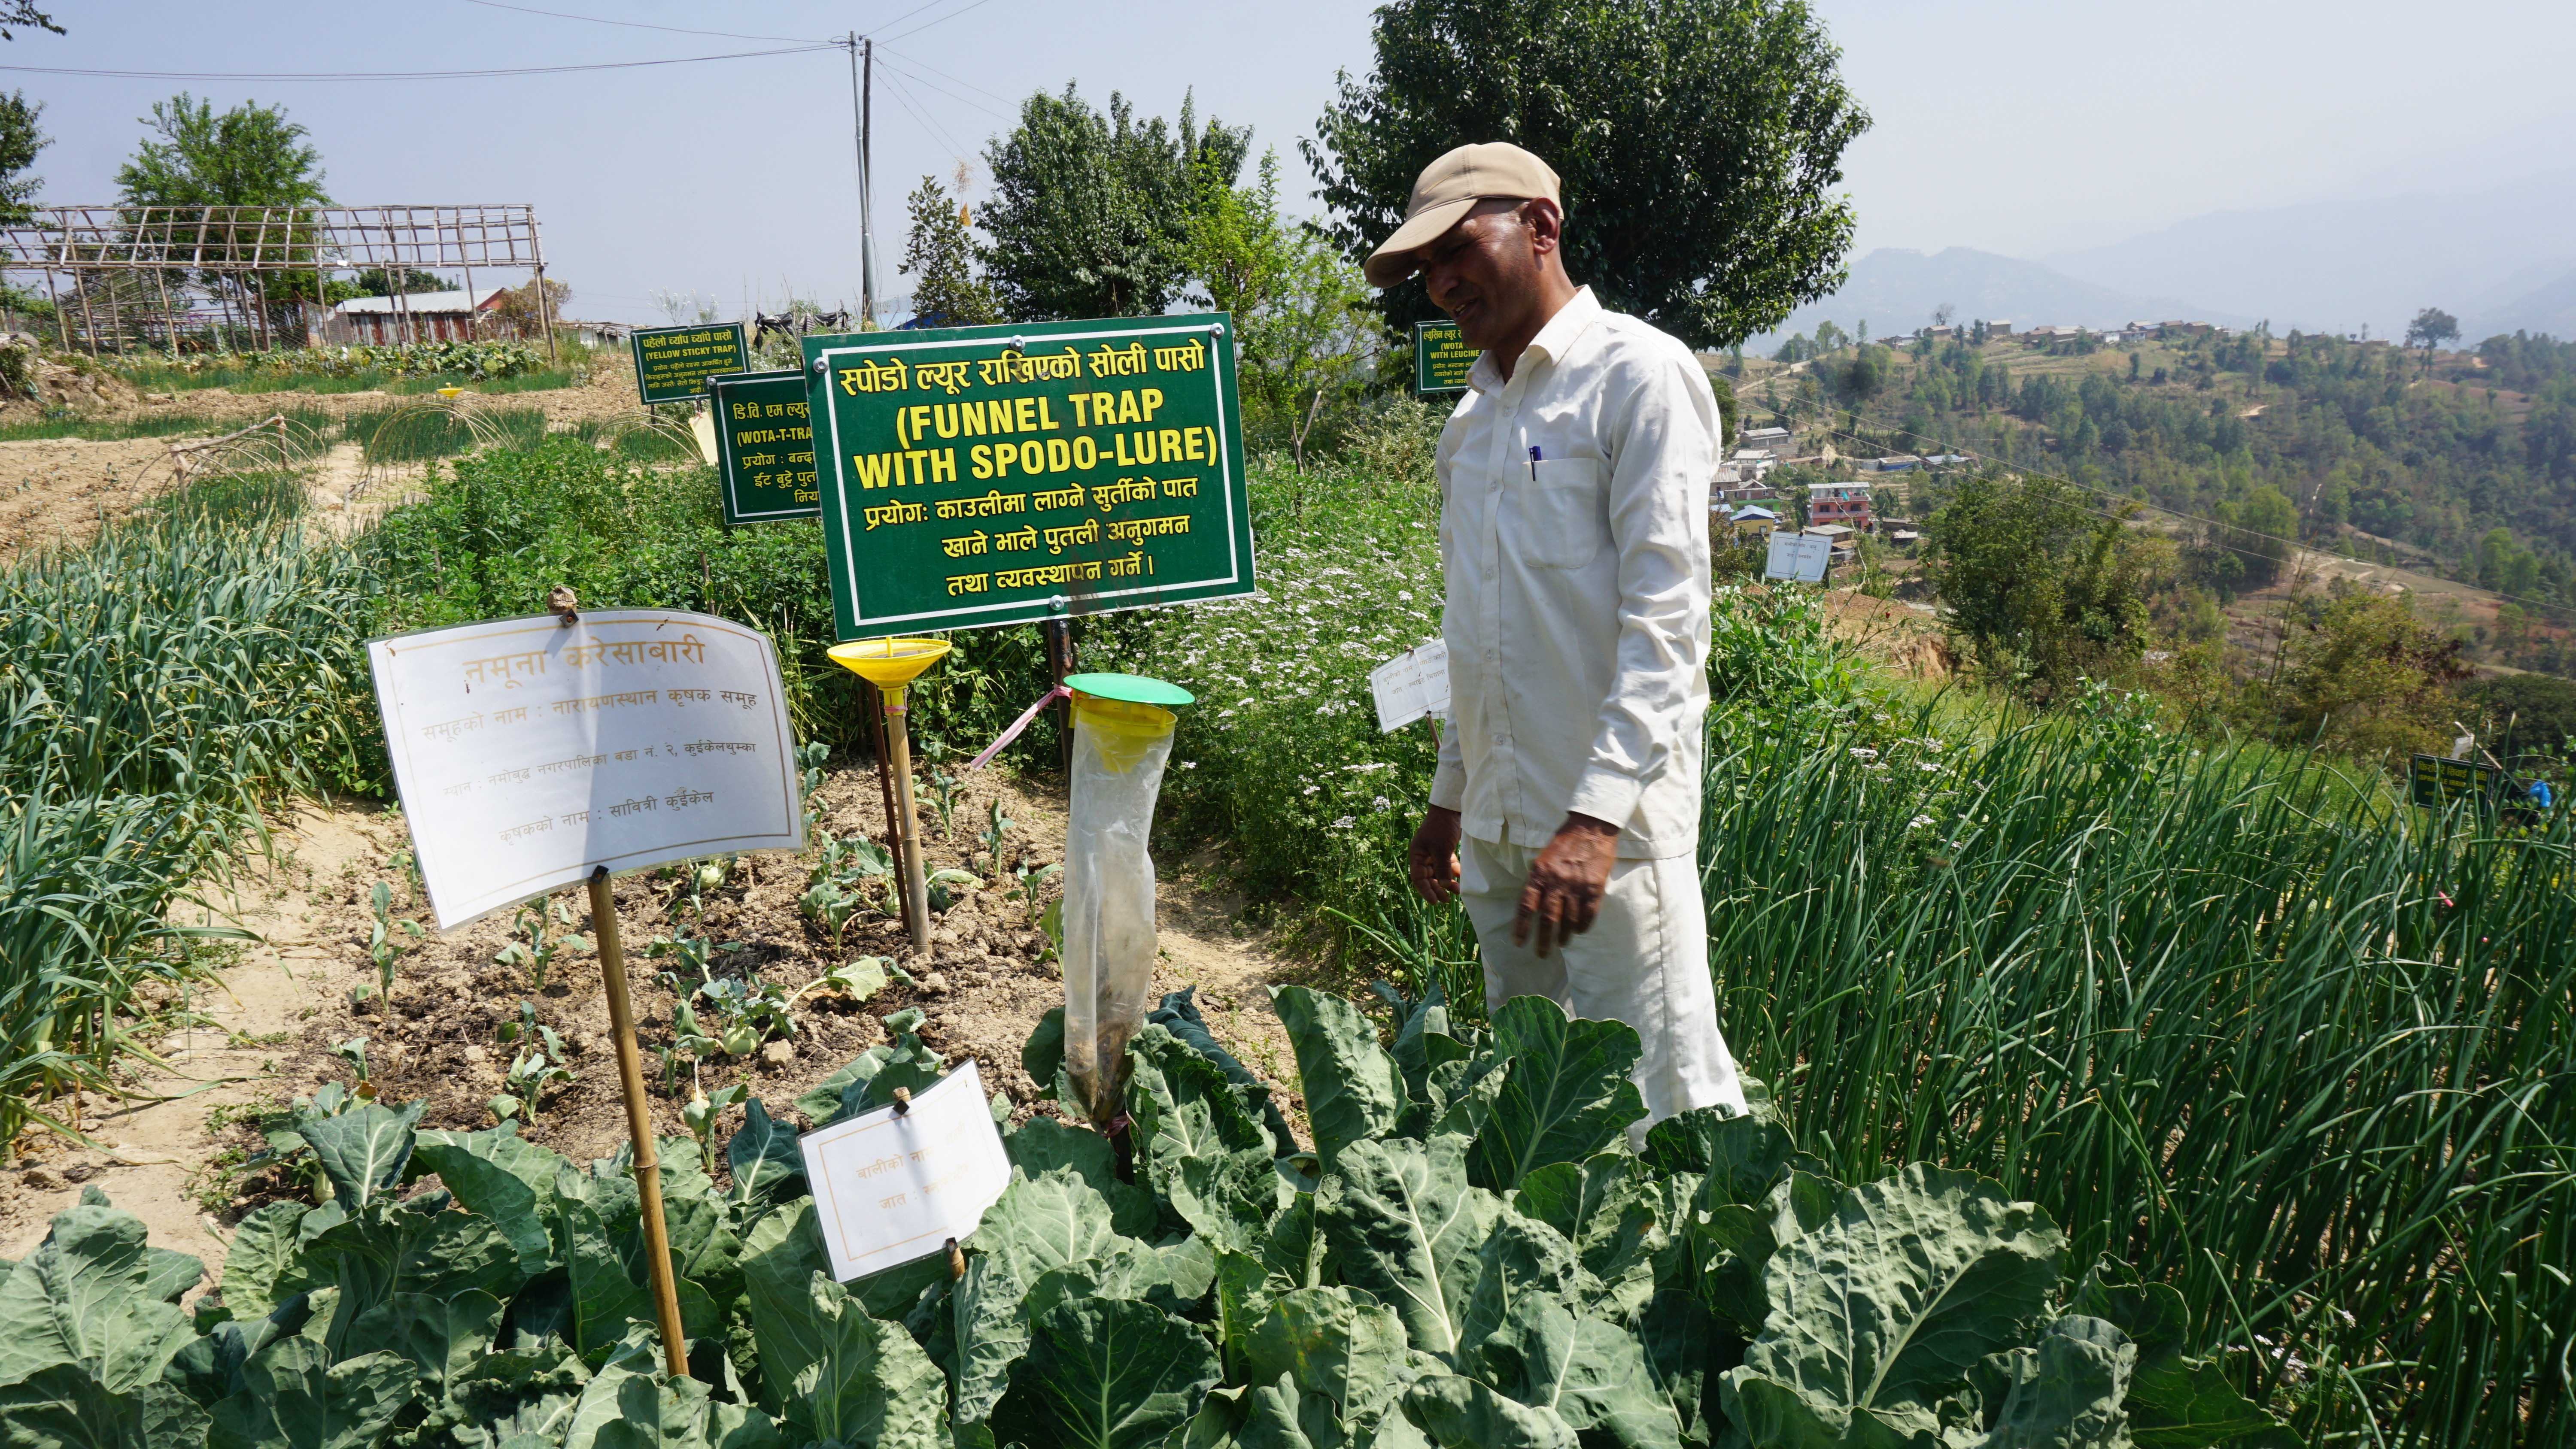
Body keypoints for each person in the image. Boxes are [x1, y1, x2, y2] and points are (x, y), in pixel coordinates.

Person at [1370, 142, 1750, 1126]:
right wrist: (1451, 798)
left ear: (1541, 227)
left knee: (1669, 1102)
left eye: (1459, 248)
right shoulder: (1474, 419)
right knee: (1542, 1103)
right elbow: (1477, 633)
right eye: (1425, 271)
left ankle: (1717, 1273)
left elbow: (1667, 625)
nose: (1443, 283)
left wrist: (1593, 819)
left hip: (1608, 845)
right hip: (1502, 838)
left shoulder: (1638, 378)